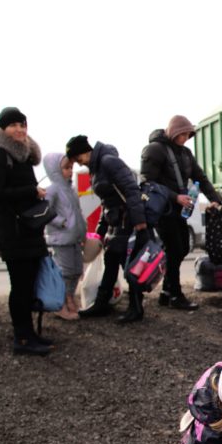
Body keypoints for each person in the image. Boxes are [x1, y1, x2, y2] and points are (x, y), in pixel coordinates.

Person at [0, 107, 51, 355]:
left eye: (23, 125)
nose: (20, 130)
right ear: (3, 129)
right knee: (20, 285)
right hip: (12, 231)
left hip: (28, 229)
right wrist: (31, 192)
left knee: (29, 284)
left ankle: (29, 333)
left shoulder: (23, 156)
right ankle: (21, 338)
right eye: (13, 125)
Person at [140, 115, 222, 311]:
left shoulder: (185, 153)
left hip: (180, 211)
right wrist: (175, 197)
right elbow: (147, 182)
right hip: (163, 209)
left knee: (182, 248)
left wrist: (215, 198)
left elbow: (200, 178)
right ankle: (175, 295)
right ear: (173, 131)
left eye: (188, 134)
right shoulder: (154, 150)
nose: (185, 138)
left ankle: (167, 291)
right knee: (175, 248)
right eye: (182, 134)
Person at [67, 135, 149, 324]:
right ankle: (102, 303)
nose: (78, 163)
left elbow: (131, 189)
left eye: (77, 158)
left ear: (84, 152)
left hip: (127, 221)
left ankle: (136, 307)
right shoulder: (97, 167)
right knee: (111, 260)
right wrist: (100, 230)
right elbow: (107, 202)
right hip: (116, 220)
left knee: (127, 264)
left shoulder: (108, 162)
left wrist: (140, 223)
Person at [43, 153, 86, 320]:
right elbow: (46, 211)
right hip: (61, 238)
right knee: (65, 271)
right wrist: (62, 222)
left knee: (76, 270)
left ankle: (69, 297)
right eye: (66, 168)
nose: (70, 171)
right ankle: (61, 303)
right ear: (55, 170)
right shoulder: (52, 189)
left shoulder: (71, 189)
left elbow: (77, 212)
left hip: (74, 236)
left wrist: (82, 229)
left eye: (71, 168)